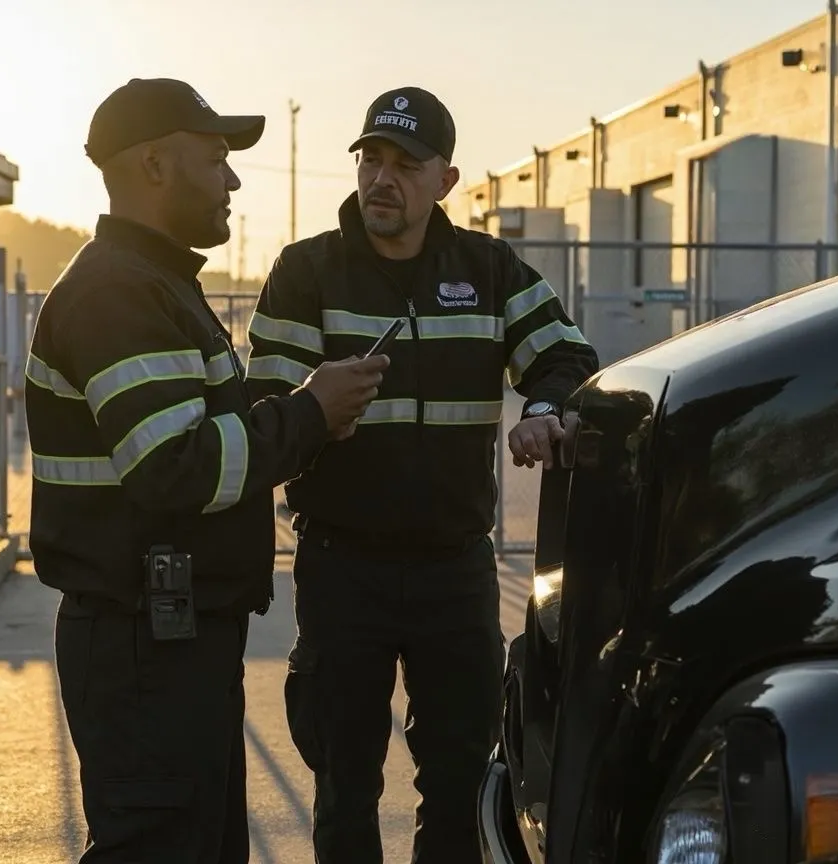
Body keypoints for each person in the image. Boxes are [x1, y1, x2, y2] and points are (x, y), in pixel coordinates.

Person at [24, 77, 389, 863]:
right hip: (142, 649)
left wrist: (306, 413)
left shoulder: (153, 284)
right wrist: (311, 411)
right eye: (216, 159)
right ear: (154, 166)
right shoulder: (117, 294)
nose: (231, 181)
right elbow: (177, 469)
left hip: (170, 640)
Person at [245, 86, 600, 863]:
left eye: (407, 164)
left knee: (461, 776)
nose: (382, 177)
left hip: (454, 570)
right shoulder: (306, 272)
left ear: (446, 180)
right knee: (343, 779)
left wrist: (542, 403)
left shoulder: (489, 267)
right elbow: (263, 408)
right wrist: (313, 407)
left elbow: (567, 354)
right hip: (343, 568)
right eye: (372, 158)